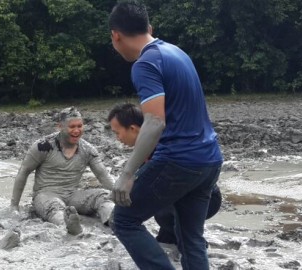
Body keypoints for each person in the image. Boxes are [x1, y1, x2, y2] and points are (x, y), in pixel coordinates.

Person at [108, 1, 224, 269]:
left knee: (123, 220)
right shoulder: (177, 52)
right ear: (149, 28)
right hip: (209, 160)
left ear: (116, 35)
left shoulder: (145, 63)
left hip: (178, 161)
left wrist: (127, 174)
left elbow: (155, 121)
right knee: (191, 239)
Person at [107, 103, 223, 259]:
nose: (117, 138)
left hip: (207, 199)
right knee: (160, 208)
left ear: (133, 129)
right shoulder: (150, 148)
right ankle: (174, 236)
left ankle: (189, 239)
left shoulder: (163, 149)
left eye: (117, 133)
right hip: (198, 191)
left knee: (160, 210)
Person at [9, 107, 116, 235]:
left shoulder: (88, 149)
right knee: (55, 207)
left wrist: (119, 196)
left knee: (103, 195)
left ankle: (114, 220)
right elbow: (23, 172)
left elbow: (103, 175)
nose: (76, 131)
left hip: (72, 195)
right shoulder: (43, 146)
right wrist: (14, 206)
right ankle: (70, 225)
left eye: (80, 126)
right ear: (60, 126)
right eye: (72, 127)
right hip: (45, 195)